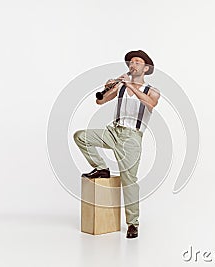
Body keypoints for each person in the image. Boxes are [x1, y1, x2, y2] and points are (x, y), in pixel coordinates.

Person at [73, 50, 160, 238]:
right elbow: (100, 101)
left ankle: (132, 224)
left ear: (145, 68)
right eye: (131, 62)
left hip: (132, 138)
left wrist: (132, 86)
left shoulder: (151, 90)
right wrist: (108, 87)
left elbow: (151, 105)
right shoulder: (121, 86)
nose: (132, 64)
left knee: (129, 182)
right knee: (81, 136)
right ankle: (101, 167)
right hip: (115, 131)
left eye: (137, 62)